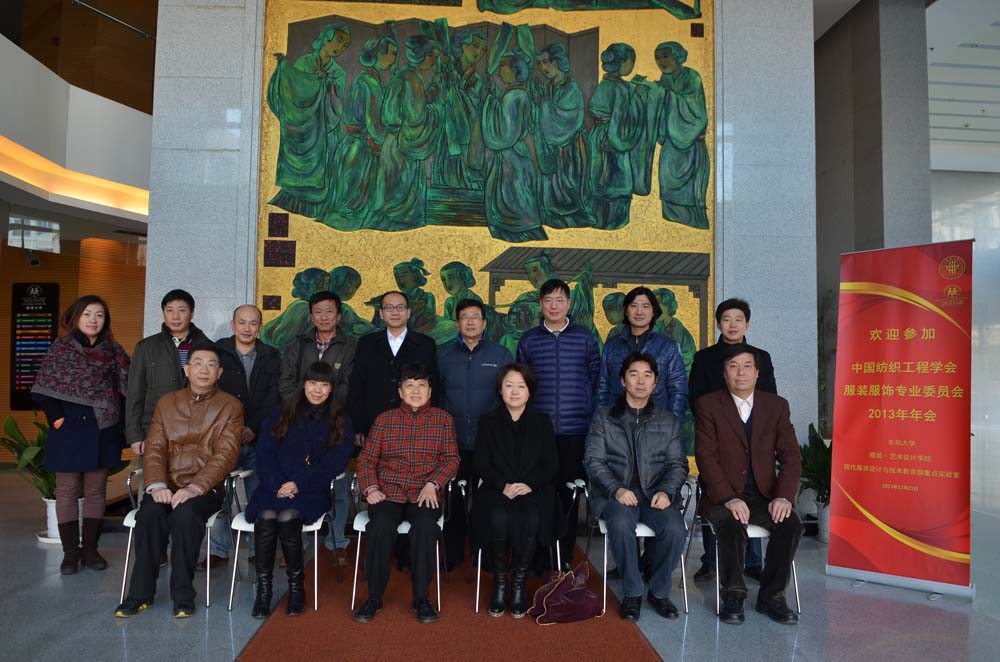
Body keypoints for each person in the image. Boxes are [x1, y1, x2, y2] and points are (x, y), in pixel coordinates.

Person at [115, 343, 242, 619]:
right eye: (198, 363)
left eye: (211, 365)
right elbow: (155, 447)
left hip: (205, 489)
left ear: (219, 372)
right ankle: (139, 594)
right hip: (166, 485)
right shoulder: (167, 403)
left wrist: (195, 487)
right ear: (186, 369)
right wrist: (157, 484)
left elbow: (226, 455)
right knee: (149, 514)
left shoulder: (230, 406)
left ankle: (183, 595)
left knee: (185, 516)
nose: (204, 370)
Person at [694, 344, 801, 625]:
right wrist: (728, 497)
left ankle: (772, 596)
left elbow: (791, 456)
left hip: (765, 495)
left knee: (790, 524)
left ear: (757, 373)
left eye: (747, 366)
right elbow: (706, 457)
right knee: (731, 524)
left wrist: (784, 496)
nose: (740, 372)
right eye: (733, 366)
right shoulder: (708, 405)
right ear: (724, 373)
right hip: (722, 496)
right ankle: (733, 594)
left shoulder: (776, 406)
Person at [584, 352, 689, 621]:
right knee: (620, 524)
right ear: (623, 381)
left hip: (655, 494)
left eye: (647, 375)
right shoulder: (604, 418)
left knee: (675, 529)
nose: (641, 381)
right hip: (615, 494)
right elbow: (593, 461)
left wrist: (666, 491)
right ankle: (632, 592)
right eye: (634, 374)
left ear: (655, 383)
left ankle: (659, 592)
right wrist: (616, 489)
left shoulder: (668, 420)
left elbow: (678, 464)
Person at [353, 364, 459, 624]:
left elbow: (451, 459)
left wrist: (434, 483)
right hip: (387, 492)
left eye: (421, 385)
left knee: (425, 528)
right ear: (400, 391)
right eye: (409, 385)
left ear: (430, 391)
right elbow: (366, 460)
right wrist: (371, 488)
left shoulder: (443, 419)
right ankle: (374, 597)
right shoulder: (384, 420)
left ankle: (421, 598)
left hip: (425, 492)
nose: (415, 391)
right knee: (380, 526)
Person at [31, 295, 130, 575]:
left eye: (99, 315)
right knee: (66, 491)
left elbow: (126, 391)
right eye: (87, 314)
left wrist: (121, 426)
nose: (93, 320)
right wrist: (57, 419)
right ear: (75, 317)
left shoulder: (114, 351)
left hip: (103, 428)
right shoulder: (61, 348)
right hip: (68, 428)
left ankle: (90, 551)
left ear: (105, 320)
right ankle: (70, 554)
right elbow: (43, 389)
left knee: (96, 491)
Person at [245, 362, 352, 618]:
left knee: (288, 516)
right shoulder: (282, 413)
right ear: (304, 384)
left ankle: (296, 587)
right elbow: (265, 454)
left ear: (331, 389)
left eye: (324, 385)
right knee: (266, 515)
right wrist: (278, 485)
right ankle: (264, 590)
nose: (317, 390)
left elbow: (334, 464)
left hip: (311, 490)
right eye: (313, 383)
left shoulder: (340, 420)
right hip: (274, 486)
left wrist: (299, 483)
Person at [689, 298, 777, 583]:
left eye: (739, 319)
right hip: (716, 440)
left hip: (752, 440)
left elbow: (770, 400)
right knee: (715, 493)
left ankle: (752, 561)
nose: (733, 325)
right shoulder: (704, 358)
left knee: (753, 492)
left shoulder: (761, 357)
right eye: (727, 319)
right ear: (718, 324)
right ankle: (710, 561)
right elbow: (695, 398)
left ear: (747, 324)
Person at [516, 278, 600, 565]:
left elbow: (595, 379)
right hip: (538, 431)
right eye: (548, 300)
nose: (554, 306)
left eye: (560, 300)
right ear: (541, 304)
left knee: (568, 495)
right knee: (538, 492)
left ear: (569, 303)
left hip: (574, 431)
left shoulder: (585, 338)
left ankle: (564, 557)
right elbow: (521, 384)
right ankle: (538, 556)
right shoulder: (529, 340)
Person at [471, 363, 559, 618]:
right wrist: (503, 485)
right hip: (497, 488)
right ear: (500, 390)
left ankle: (519, 583)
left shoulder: (542, 422)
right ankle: (500, 582)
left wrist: (529, 484)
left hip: (533, 489)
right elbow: (481, 463)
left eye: (521, 386)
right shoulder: (488, 422)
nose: (515, 391)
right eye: (508, 385)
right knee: (498, 516)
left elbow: (551, 464)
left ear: (530, 391)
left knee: (532, 516)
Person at [200, 305, 281, 570]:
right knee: (219, 494)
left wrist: (254, 427)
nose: (247, 328)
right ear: (233, 324)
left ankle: (260, 551)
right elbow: (208, 392)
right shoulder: (216, 352)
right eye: (242, 322)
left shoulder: (271, 356)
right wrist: (233, 429)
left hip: (259, 438)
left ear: (260, 326)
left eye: (253, 323)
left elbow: (274, 397)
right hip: (223, 438)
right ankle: (217, 550)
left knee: (260, 495)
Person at [278, 290, 357, 564]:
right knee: (300, 478)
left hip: (335, 421)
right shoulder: (298, 344)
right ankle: (297, 543)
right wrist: (303, 406)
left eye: (329, 311)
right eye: (318, 312)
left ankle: (337, 542)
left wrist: (326, 407)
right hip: (299, 421)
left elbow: (349, 383)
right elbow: (286, 380)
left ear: (339, 315)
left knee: (338, 483)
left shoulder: (351, 346)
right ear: (311, 315)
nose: (324, 317)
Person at [437, 299, 513, 567]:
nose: (470, 322)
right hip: (453, 441)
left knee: (488, 500)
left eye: (475, 317)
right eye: (464, 317)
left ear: (484, 323)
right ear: (457, 323)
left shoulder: (501, 355)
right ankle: (453, 555)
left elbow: (509, 397)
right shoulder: (443, 355)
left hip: (488, 443)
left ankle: (487, 556)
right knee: (454, 500)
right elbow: (437, 397)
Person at [267, 24, 350, 218]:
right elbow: (295, 88)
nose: (340, 47)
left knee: (326, 169)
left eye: (345, 45)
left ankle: (319, 209)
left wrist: (326, 83)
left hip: (325, 128)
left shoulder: (338, 72)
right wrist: (284, 69)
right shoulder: (304, 63)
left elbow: (337, 101)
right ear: (325, 38)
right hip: (304, 127)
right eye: (338, 40)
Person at [364, 35, 441, 231]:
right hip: (403, 146)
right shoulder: (413, 80)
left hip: (392, 143)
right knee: (400, 199)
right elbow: (415, 118)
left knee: (389, 192)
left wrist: (432, 92)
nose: (434, 61)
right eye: (433, 56)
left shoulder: (404, 76)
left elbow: (409, 106)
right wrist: (436, 113)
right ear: (423, 56)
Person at [320, 35, 397, 230]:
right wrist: (384, 140)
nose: (394, 58)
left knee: (348, 195)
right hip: (361, 148)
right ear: (379, 54)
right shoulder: (369, 83)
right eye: (392, 53)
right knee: (351, 200)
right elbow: (373, 121)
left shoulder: (367, 79)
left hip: (353, 145)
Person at [126, 289, 209, 457]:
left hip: (197, 432)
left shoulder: (207, 346)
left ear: (192, 313)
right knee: (153, 473)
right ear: (163, 313)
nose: (175, 316)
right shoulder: (146, 347)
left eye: (182, 310)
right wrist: (135, 435)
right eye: (170, 310)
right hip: (155, 429)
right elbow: (135, 393)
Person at [349, 291, 437, 445]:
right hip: (373, 423)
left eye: (400, 307)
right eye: (389, 308)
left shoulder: (426, 344)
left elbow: (434, 385)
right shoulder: (367, 343)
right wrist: (358, 426)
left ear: (408, 312)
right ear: (381, 313)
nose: (395, 312)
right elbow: (357, 386)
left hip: (415, 424)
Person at [481, 50, 547, 242]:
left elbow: (505, 135)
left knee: (513, 196)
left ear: (515, 70)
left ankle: (520, 232)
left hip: (511, 158)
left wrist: (489, 102)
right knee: (518, 194)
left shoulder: (513, 96)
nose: (500, 70)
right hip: (517, 155)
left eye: (503, 66)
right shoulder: (520, 94)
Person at [597, 286, 688, 422]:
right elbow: (603, 389)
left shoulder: (668, 347)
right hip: (617, 423)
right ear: (625, 311)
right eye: (634, 306)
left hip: (657, 423)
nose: (639, 311)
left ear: (654, 312)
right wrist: (601, 423)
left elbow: (678, 391)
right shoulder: (612, 346)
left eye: (645, 306)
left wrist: (672, 426)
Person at [535, 43, 594, 229]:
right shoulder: (547, 86)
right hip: (552, 147)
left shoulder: (571, 88)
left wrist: (545, 106)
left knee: (570, 183)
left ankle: (573, 215)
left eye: (546, 62)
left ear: (557, 61)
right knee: (552, 184)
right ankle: (554, 215)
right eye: (539, 64)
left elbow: (567, 119)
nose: (543, 68)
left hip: (571, 146)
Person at [654, 41, 710, 229]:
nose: (661, 62)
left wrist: (666, 95)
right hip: (671, 147)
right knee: (669, 191)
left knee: (690, 195)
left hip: (690, 145)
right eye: (657, 58)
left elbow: (695, 111)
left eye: (665, 56)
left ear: (677, 56)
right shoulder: (665, 79)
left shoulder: (691, 77)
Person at [589, 43, 644, 230]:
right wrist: (620, 143)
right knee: (615, 182)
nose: (632, 65)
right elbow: (618, 122)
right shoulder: (621, 89)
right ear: (622, 63)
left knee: (597, 180)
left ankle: (599, 222)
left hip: (597, 137)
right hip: (612, 141)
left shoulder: (604, 84)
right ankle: (614, 224)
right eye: (631, 60)